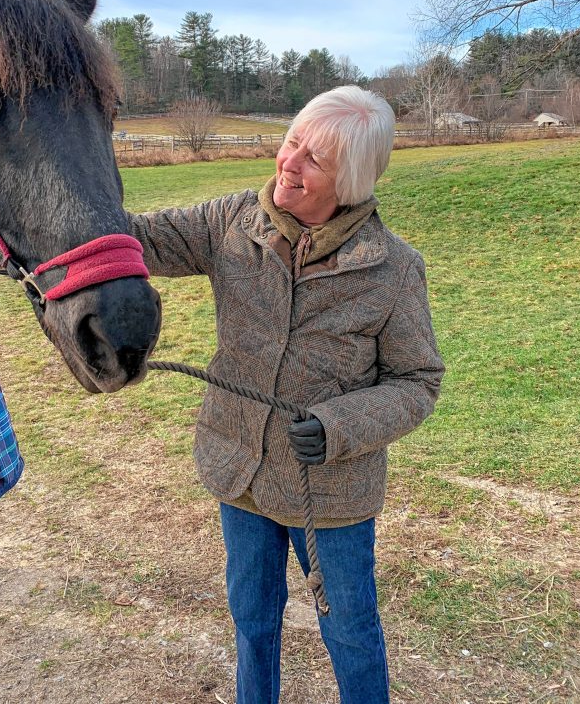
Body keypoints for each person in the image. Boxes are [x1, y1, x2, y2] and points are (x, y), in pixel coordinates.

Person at [128, 85, 444, 704]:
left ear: (348, 182)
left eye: (313, 160)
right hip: (238, 468)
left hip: (330, 489)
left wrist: (338, 425)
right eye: (291, 142)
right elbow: (142, 238)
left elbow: (419, 381)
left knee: (349, 627)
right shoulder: (231, 222)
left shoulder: (394, 269)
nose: (287, 164)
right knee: (252, 616)